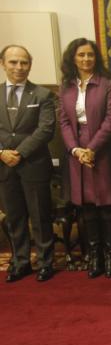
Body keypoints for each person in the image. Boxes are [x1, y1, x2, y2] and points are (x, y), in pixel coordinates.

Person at [58, 38, 111, 278]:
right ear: (73, 59)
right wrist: (76, 150)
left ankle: (110, 256)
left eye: (90, 55)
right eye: (81, 55)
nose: (86, 59)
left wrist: (92, 148)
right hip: (77, 153)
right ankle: (94, 256)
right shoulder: (66, 86)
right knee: (86, 207)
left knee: (107, 206)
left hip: (104, 150)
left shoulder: (107, 84)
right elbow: (64, 122)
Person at [0, 45, 56, 282]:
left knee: (40, 216)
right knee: (14, 217)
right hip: (4, 165)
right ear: (3, 64)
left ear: (30, 65)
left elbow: (45, 129)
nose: (19, 67)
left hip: (33, 163)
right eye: (13, 62)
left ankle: (45, 262)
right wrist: (2, 152)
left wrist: (19, 152)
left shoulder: (43, 95)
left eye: (24, 62)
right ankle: (20, 262)